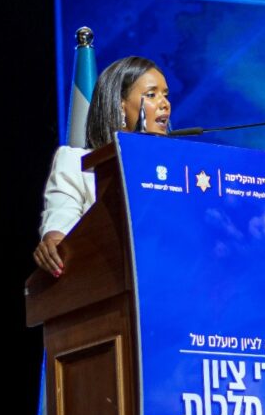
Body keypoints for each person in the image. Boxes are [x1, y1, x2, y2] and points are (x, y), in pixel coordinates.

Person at [33, 56, 171, 276]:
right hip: (108, 278)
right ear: (120, 106)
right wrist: (55, 240)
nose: (165, 104)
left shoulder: (174, 169)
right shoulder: (77, 162)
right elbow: (61, 227)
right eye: (152, 95)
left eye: (166, 95)